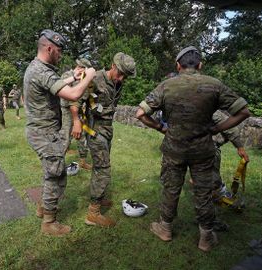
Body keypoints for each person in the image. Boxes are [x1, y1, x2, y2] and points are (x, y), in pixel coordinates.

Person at [135, 46, 250, 252]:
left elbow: (140, 114)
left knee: (171, 188)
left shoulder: (166, 85)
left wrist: (161, 127)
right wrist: (216, 128)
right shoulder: (214, 85)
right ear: (200, 65)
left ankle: (165, 228)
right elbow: (243, 111)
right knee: (203, 191)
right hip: (203, 150)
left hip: (174, 149)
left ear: (178, 65)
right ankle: (206, 237)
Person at [24, 29, 96, 236]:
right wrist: (88, 76)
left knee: (51, 172)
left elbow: (53, 86)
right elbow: (73, 94)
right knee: (56, 175)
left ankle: (43, 208)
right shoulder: (43, 71)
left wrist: (72, 76)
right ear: (49, 48)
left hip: (40, 131)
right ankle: (49, 222)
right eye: (59, 51)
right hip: (44, 133)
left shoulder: (37, 67)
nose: (61, 55)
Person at [78, 52, 136, 228]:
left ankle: (98, 198)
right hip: (95, 131)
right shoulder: (94, 78)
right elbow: (76, 100)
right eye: (120, 73)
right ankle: (93, 213)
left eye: (125, 76)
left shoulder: (118, 84)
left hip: (107, 130)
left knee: (99, 167)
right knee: (103, 170)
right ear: (113, 66)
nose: (121, 78)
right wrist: (75, 123)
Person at [59, 58, 93, 170]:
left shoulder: (84, 79)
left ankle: (83, 161)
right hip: (66, 110)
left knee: (81, 136)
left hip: (78, 111)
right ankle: (58, 163)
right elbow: (66, 94)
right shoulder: (67, 76)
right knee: (66, 137)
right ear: (80, 67)